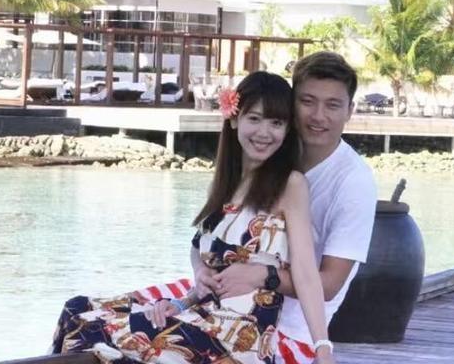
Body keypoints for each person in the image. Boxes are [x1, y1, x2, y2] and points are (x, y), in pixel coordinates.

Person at [51, 71, 335, 364]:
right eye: (254, 118)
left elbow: (305, 272)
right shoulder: (227, 183)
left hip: (236, 336)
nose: (264, 132)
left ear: (287, 130)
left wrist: (323, 348)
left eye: (276, 123)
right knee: (76, 308)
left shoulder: (290, 185)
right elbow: (200, 249)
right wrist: (186, 293)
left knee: (90, 327)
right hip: (199, 316)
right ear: (234, 119)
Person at [191, 51, 377, 362]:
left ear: (350, 111)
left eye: (333, 105)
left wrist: (262, 275)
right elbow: (205, 239)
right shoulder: (267, 155)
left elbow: (328, 285)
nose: (318, 116)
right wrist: (201, 271)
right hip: (224, 305)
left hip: (288, 328)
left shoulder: (352, 183)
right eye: (307, 101)